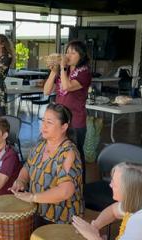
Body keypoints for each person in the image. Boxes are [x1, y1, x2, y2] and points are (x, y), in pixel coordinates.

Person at [10, 103, 83, 224]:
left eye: (49, 122)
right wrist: (21, 180)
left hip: (60, 218)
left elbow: (66, 191)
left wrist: (33, 197)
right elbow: (28, 167)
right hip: (37, 211)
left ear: (64, 127)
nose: (43, 125)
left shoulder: (68, 152)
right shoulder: (41, 145)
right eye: (43, 120)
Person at [43, 40, 92, 179]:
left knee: (75, 153)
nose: (68, 55)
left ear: (81, 56)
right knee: (61, 151)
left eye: (73, 52)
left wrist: (63, 68)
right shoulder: (63, 72)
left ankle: (79, 184)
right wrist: (54, 72)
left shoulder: (85, 73)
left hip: (76, 120)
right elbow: (46, 91)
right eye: (67, 51)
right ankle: (61, 180)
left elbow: (67, 87)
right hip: (60, 119)